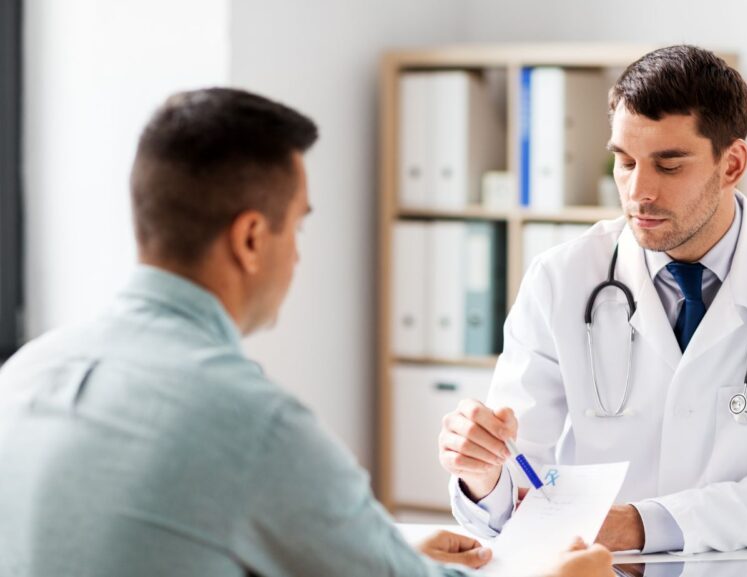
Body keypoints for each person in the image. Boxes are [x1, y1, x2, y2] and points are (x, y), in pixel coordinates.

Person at [0, 88, 613, 577]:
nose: (296, 256)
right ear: (249, 240)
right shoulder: (250, 425)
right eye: (297, 226)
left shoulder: (25, 373)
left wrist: (388, 558)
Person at [439, 44, 747, 554]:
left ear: (732, 164)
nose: (638, 192)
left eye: (668, 166)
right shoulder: (562, 278)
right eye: (623, 161)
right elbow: (514, 482)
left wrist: (632, 525)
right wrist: (483, 476)